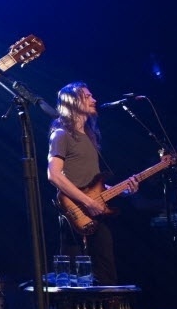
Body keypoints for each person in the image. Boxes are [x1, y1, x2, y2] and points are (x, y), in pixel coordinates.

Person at [46, 82, 138, 286]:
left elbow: (92, 184)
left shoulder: (90, 136)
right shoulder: (61, 134)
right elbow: (54, 175)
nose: (94, 99)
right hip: (74, 213)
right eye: (87, 96)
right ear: (72, 101)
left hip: (95, 211)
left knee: (106, 272)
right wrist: (87, 202)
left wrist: (121, 191)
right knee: (71, 276)